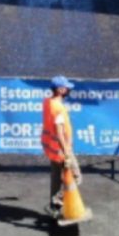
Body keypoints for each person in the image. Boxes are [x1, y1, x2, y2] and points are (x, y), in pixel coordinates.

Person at [42, 75, 77, 218]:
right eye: (67, 87)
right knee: (75, 176)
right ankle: (57, 203)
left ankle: (54, 208)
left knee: (56, 179)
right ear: (61, 89)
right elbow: (59, 133)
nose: (69, 89)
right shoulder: (58, 108)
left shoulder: (47, 102)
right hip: (60, 150)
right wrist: (67, 153)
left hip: (52, 149)